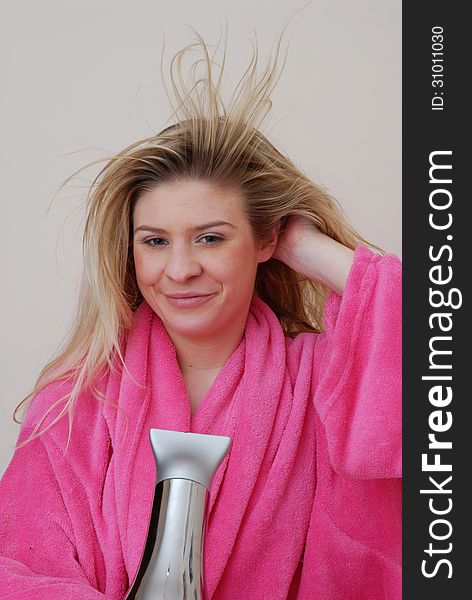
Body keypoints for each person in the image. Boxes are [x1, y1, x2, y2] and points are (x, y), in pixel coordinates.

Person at [0, 28, 401, 599]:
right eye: (155, 241)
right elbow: (12, 571)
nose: (180, 269)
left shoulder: (327, 383)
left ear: (264, 241)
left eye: (210, 238)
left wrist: (311, 251)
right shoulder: (77, 400)